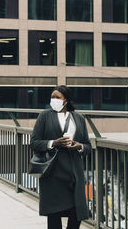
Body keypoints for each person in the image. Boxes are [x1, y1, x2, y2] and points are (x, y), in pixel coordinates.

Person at [30, 85, 92, 229]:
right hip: (53, 174)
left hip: (74, 174)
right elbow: (34, 142)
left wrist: (79, 146)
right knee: (54, 219)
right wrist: (54, 143)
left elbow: (88, 146)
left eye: (58, 97)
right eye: (52, 97)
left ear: (66, 100)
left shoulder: (79, 118)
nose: (54, 100)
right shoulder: (44, 116)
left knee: (76, 216)